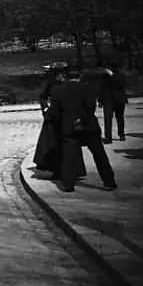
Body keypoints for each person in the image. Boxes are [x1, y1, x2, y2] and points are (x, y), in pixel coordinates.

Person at [48, 65, 116, 193]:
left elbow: (54, 112)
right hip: (89, 126)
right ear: (79, 77)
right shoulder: (87, 88)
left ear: (66, 77)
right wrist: (83, 119)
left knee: (69, 157)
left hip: (69, 128)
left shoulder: (58, 91)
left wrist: (63, 123)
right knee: (99, 154)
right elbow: (91, 106)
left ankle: (68, 184)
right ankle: (109, 181)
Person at [98, 61, 128, 144]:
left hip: (118, 100)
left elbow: (118, 84)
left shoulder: (120, 76)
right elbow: (102, 88)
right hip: (108, 100)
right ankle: (108, 137)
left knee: (120, 117)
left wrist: (111, 75)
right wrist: (100, 100)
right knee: (107, 119)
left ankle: (121, 135)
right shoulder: (104, 76)